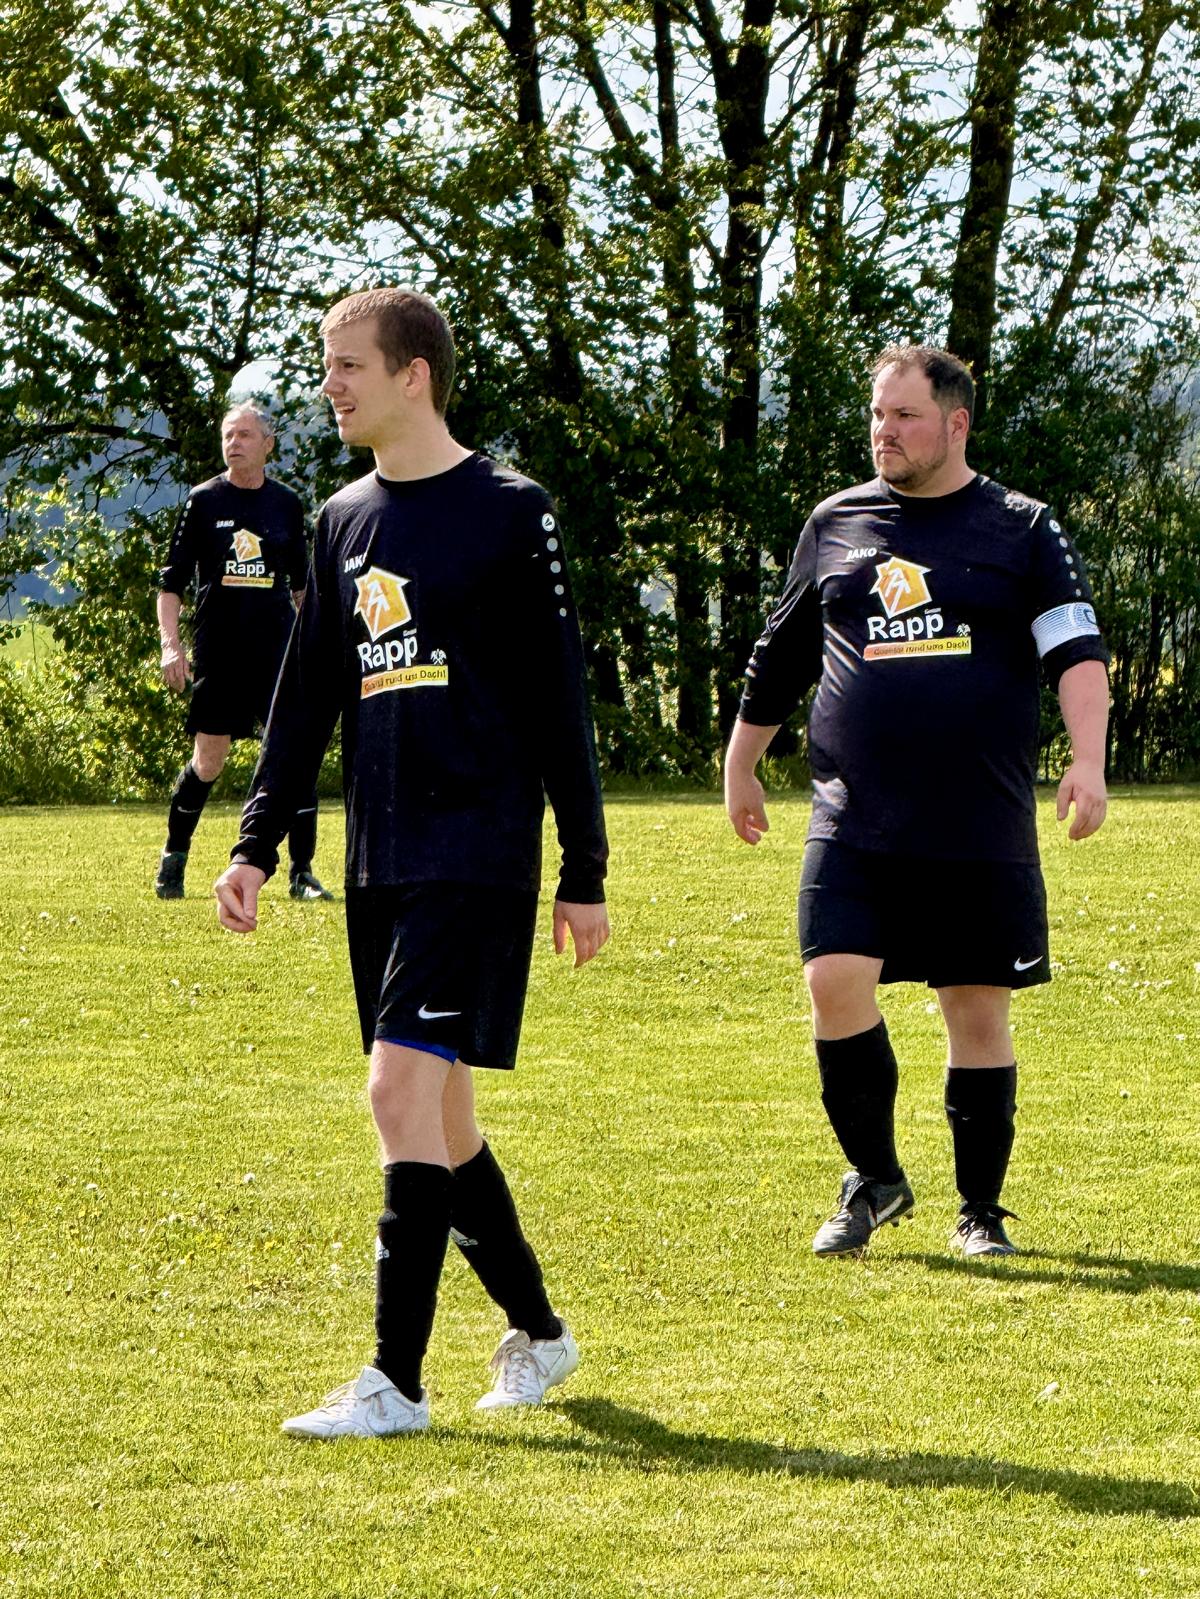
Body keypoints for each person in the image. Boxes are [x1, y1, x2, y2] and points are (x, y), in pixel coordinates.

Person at [214, 287, 610, 1439]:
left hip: (477, 850)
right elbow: (304, 700)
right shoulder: (341, 519)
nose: (329, 385)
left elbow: (559, 699)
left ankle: (394, 1382)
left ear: (412, 374)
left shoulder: (510, 511)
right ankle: (540, 1334)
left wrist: (583, 865)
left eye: (347, 364)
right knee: (442, 1118)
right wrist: (253, 843)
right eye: (326, 364)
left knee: (395, 1092)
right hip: (381, 854)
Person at [724, 345, 1109, 1260]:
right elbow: (782, 653)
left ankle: (980, 1210)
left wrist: (1089, 761)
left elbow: (1077, 652)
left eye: (905, 416)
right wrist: (742, 761)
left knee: (975, 1008)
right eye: (877, 414)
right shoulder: (836, 522)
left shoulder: (1022, 528)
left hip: (978, 819)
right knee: (832, 980)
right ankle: (875, 1177)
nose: (884, 431)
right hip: (853, 814)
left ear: (956, 423)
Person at [155, 403, 331, 902]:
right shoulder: (204, 501)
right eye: (228, 435)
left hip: (277, 654)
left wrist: (316, 648)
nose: (234, 443)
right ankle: (173, 859)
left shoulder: (286, 504)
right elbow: (170, 585)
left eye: (245, 435)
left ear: (268, 444)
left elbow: (303, 588)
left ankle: (301, 873)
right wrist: (171, 645)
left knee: (294, 757)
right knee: (208, 761)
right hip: (219, 653)